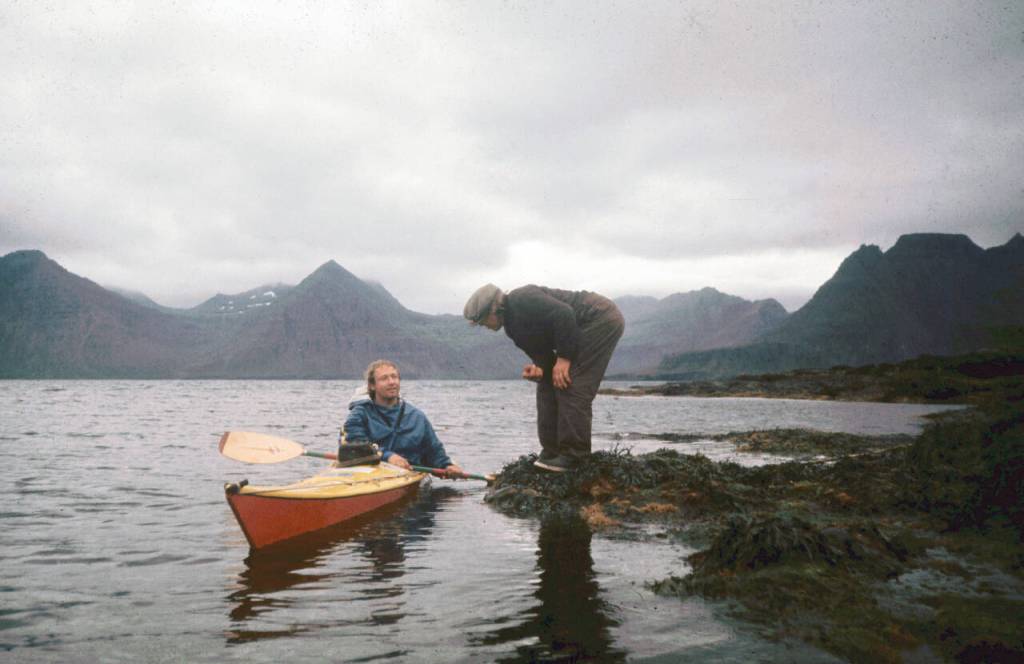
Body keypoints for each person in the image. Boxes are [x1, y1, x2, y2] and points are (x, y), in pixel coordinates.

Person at [464, 284, 624, 472]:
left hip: (598, 318)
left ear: (494, 308)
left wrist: (564, 358)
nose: (485, 326)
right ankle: (552, 451)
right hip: (578, 328)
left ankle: (575, 456)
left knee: (571, 383)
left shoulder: (521, 298)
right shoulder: (512, 330)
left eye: (483, 321)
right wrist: (538, 370)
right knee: (547, 383)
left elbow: (564, 314)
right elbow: (545, 359)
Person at [343, 359, 463, 478]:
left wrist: (447, 466)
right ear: (372, 386)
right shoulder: (359, 414)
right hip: (369, 472)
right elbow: (354, 444)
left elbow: (434, 452)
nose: (391, 382)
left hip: (408, 474)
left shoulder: (417, 417)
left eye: (394, 377)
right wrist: (388, 456)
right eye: (384, 378)